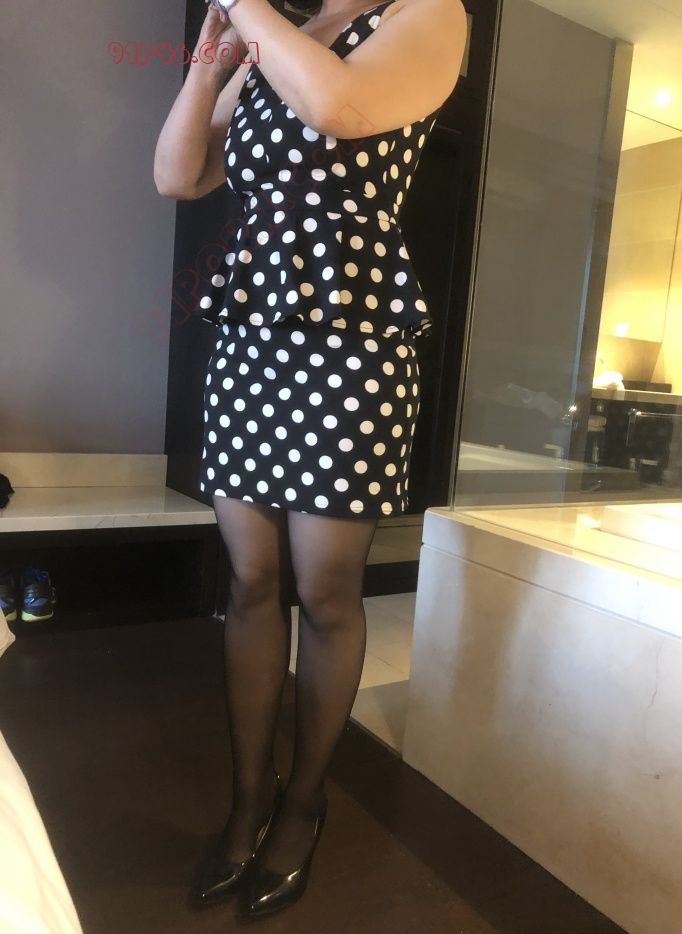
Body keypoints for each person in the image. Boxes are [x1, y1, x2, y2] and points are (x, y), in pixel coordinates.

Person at [154, 0, 467, 919]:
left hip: (353, 336)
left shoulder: (427, 13)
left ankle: (304, 802)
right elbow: (178, 174)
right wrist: (211, 59)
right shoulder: (269, 39)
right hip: (252, 335)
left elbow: (338, 108)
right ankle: (248, 797)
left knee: (326, 590)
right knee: (251, 580)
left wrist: (250, 9)